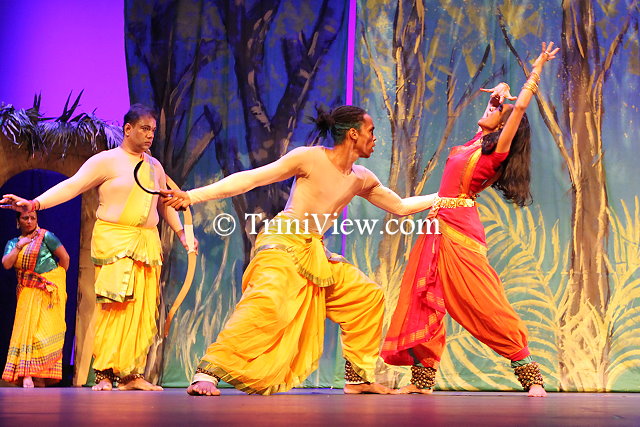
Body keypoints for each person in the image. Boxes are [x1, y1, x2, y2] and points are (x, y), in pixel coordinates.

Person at [161, 105, 437, 396]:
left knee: (366, 297)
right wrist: (191, 196)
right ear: (353, 134)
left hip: (313, 250)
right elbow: (251, 178)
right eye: (371, 131)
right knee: (269, 300)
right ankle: (207, 372)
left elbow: (400, 206)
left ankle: (358, 379)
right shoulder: (310, 157)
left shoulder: (361, 177)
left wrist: (446, 198)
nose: (374, 138)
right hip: (283, 242)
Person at [381, 42, 560, 398]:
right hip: (437, 224)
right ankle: (422, 380)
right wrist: (500, 94)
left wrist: (536, 70)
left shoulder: (497, 151)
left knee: (480, 300)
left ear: (504, 125)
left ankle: (529, 373)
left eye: (497, 110)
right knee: (424, 297)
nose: (491, 108)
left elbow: (520, 107)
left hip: (459, 228)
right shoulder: (478, 141)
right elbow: (500, 104)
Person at [1, 104, 191, 391]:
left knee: (140, 310)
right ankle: (104, 373)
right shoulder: (106, 161)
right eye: (144, 129)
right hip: (114, 240)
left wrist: (181, 232)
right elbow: (73, 186)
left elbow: (163, 203)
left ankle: (131, 374)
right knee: (115, 305)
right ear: (128, 129)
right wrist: (35, 203)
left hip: (146, 242)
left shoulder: (155, 166)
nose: (150, 135)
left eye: (153, 130)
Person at [2, 211, 70, 387]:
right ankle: (26, 374)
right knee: (28, 332)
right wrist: (19, 246)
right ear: (18, 221)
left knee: (45, 333)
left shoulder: (46, 236)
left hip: (49, 293)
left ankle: (41, 374)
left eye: (33, 218)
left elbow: (65, 258)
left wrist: (55, 280)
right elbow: (7, 264)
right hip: (27, 292)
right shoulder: (13, 243)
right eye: (25, 218)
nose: (29, 221)